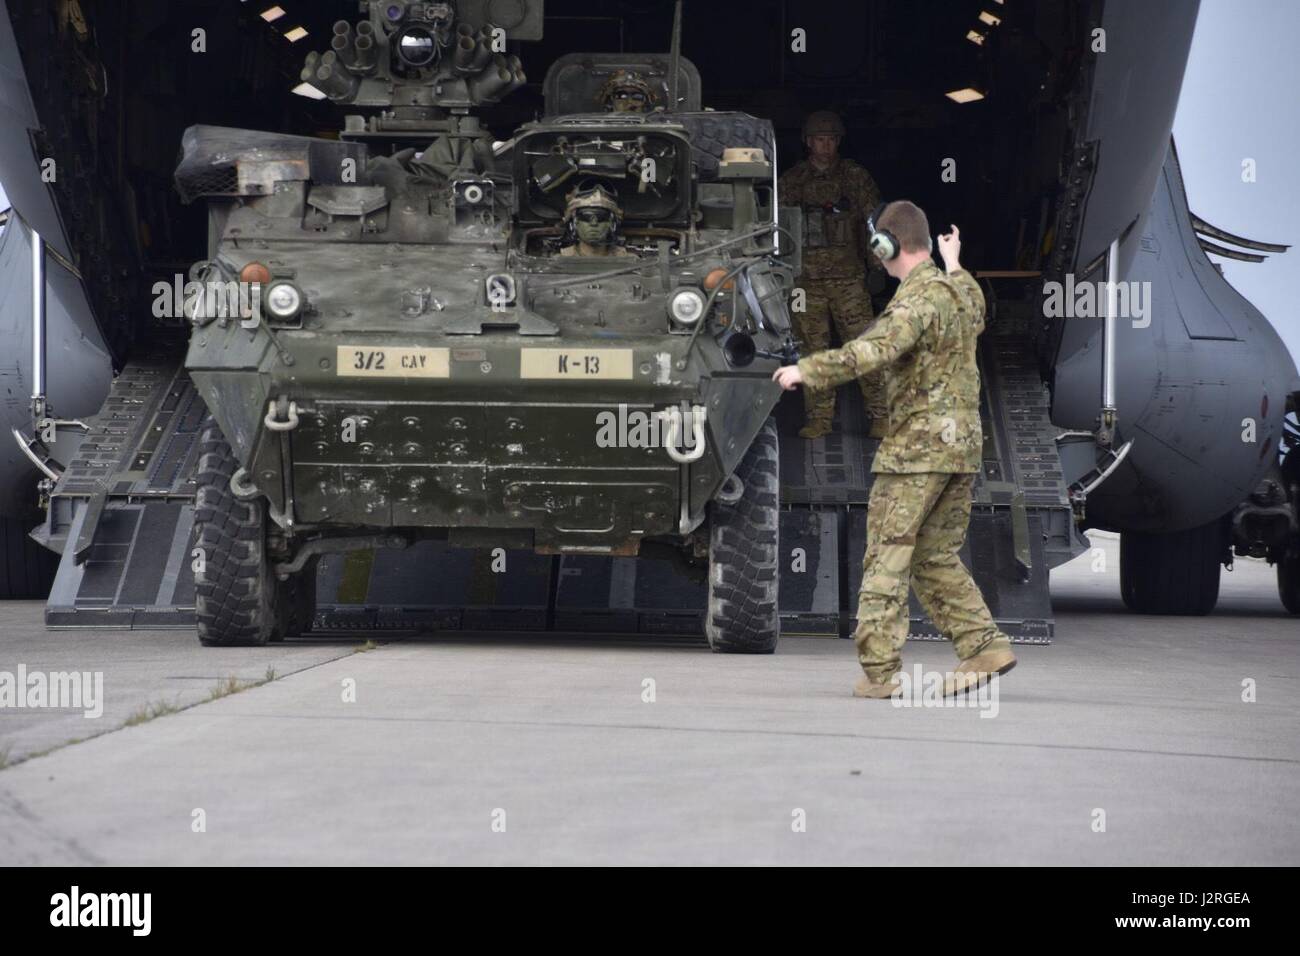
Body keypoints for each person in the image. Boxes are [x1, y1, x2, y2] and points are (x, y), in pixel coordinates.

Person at [772, 203, 1017, 698]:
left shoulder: (914, 303)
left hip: (917, 452)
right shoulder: (957, 292)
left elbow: (872, 349)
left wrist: (807, 371)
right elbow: (974, 303)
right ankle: (983, 646)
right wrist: (954, 261)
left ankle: (879, 673)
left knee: (886, 555)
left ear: (885, 247)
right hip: (961, 449)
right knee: (933, 554)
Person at [778, 110, 888, 439]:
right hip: (806, 283)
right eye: (819, 140)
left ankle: (881, 416)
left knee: (865, 348)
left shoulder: (854, 177)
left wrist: (878, 266)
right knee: (814, 351)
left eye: (830, 140)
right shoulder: (793, 180)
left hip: (849, 279)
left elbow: (874, 222)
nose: (825, 146)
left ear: (837, 141)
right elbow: (779, 229)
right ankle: (820, 419)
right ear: (808, 142)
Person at [559, 183, 633, 257]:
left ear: (611, 222)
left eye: (601, 217)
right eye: (586, 216)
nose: (594, 223)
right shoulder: (558, 260)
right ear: (575, 222)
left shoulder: (631, 261)